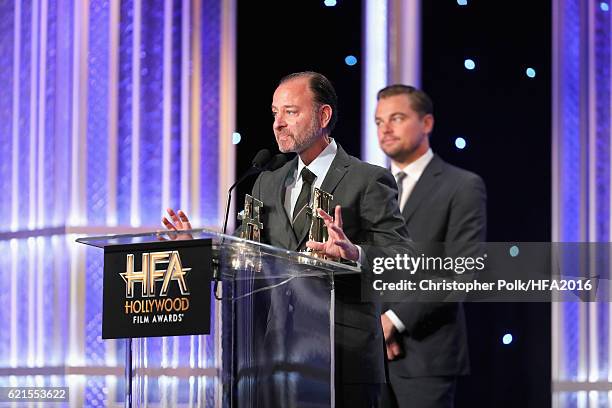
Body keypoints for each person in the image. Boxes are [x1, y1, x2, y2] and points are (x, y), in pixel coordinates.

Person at [164, 72, 411, 407]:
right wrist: (196, 249)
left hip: (344, 360)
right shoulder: (267, 181)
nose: (278, 123)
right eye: (274, 113)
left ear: (323, 116)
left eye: (291, 112)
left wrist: (355, 254)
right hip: (277, 359)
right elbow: (246, 255)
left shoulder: (368, 180)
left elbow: (402, 260)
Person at [374, 84, 487, 408]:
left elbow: (464, 274)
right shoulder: (373, 188)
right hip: (370, 357)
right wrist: (372, 326)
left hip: (425, 357)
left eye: (396, 118)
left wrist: (392, 321)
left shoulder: (462, 186)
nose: (386, 129)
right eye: (379, 121)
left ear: (427, 124)